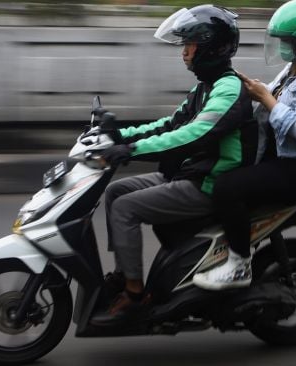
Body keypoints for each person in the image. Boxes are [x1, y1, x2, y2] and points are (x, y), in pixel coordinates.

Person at [91, 5, 257, 325]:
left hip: (208, 182)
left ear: (210, 46)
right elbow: (170, 125)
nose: (184, 52)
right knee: (115, 192)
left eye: (189, 45)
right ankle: (124, 275)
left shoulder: (228, 88)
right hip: (188, 172)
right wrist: (117, 135)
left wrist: (132, 150)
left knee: (126, 208)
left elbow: (194, 135)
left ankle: (136, 296)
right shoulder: (204, 87)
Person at [193, 0, 296, 290]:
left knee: (228, 187)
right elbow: (267, 97)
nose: (283, 46)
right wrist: (243, 88)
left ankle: (238, 264)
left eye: (288, 40)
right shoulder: (294, 68)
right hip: (280, 157)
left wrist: (266, 98)